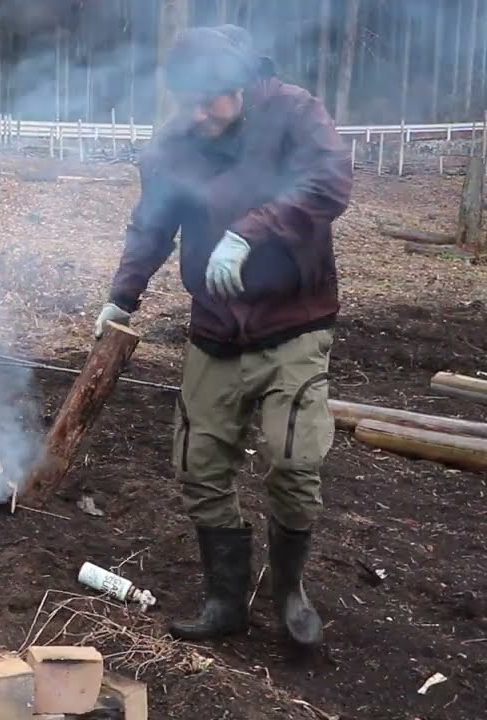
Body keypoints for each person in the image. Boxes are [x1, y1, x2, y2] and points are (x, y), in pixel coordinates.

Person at [93, 25, 352, 649]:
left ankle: (289, 591)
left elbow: (330, 184)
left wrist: (250, 229)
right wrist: (120, 296)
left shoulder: (294, 113)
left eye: (212, 98)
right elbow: (151, 226)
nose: (200, 112)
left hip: (294, 321)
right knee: (199, 465)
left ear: (240, 84)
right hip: (214, 329)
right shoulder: (175, 143)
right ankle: (225, 600)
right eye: (191, 99)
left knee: (294, 459)